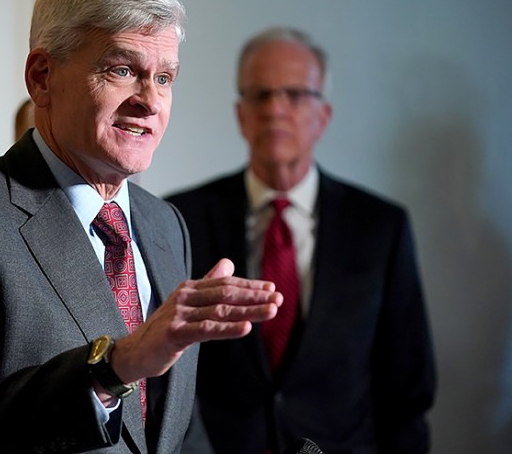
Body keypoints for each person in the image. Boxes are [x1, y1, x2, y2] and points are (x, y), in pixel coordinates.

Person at [0, 0, 283, 454]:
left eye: (164, 78)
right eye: (122, 70)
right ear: (42, 77)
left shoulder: (165, 224)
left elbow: (169, 431)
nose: (150, 102)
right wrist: (114, 364)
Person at [167, 26, 437, 453]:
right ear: (240, 114)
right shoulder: (179, 219)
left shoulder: (380, 227)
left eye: (294, 95)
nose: (275, 109)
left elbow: (407, 390)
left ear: (323, 116)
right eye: (260, 95)